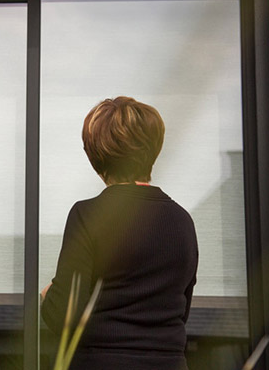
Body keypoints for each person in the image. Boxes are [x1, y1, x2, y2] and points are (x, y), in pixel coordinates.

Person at [40, 96, 198, 370]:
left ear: (95, 155)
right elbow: (179, 311)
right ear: (154, 149)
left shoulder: (88, 215)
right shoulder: (182, 220)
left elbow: (62, 315)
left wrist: (47, 295)